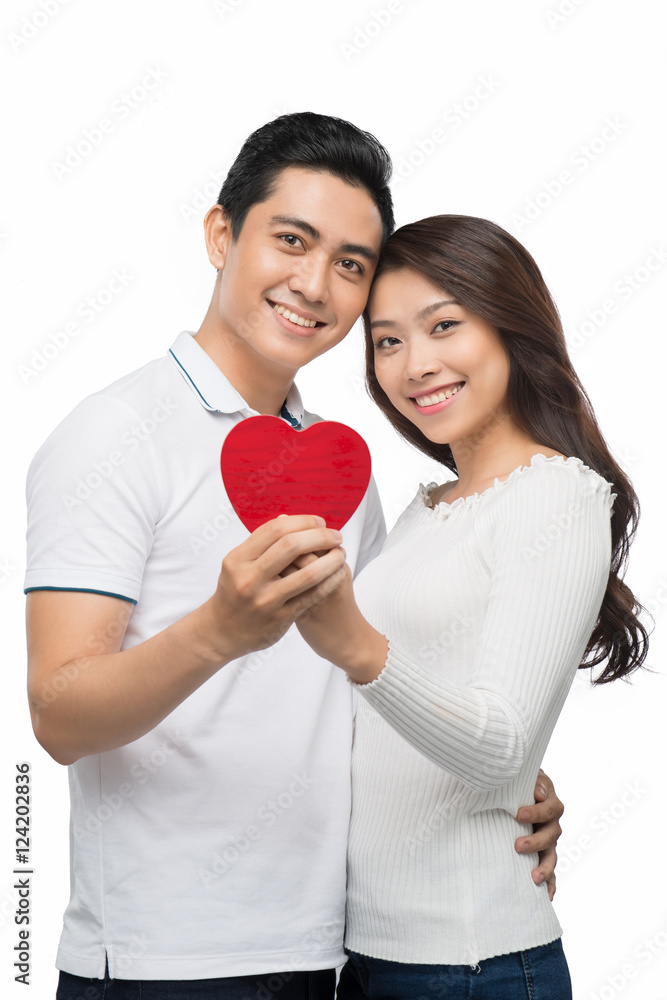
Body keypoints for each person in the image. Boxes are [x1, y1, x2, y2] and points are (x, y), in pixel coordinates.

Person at [25, 116, 564, 1000]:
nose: (314, 284)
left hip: (333, 948)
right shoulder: (113, 434)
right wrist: (217, 632)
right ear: (220, 235)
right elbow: (58, 715)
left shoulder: (335, 464)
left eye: (351, 264)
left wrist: (505, 779)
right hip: (172, 963)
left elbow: (377, 684)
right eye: (290, 241)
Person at [291, 215, 648, 999]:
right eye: (386, 341)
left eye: (442, 325)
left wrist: (355, 646)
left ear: (511, 323)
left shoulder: (555, 494)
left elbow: (497, 745)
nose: (414, 364)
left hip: (467, 963)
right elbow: (445, 726)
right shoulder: (430, 506)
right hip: (372, 954)